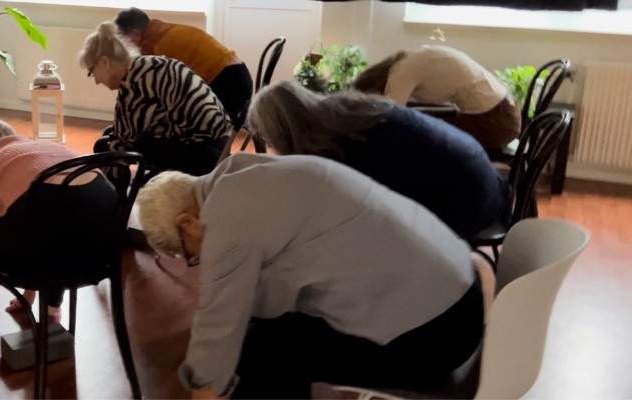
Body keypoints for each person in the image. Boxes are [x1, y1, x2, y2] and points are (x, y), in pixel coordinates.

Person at [135, 152, 490, 399]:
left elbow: (217, 325)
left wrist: (206, 386)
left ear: (187, 221)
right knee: (265, 331)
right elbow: (257, 295)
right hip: (460, 295)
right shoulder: (242, 175)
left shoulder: (226, 220)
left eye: (191, 255)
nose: (199, 262)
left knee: (258, 351)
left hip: (435, 340)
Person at [247, 80, 510, 239]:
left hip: (469, 202)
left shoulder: (335, 146)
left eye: (268, 138)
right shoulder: (345, 111)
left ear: (284, 132)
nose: (269, 146)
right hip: (483, 178)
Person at [0, 117, 117, 348]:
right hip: (104, 247)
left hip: (47, 249)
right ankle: (51, 310)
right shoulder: (45, 148)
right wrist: (29, 294)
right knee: (58, 213)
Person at [80, 21, 234, 177]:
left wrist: (106, 184)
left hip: (202, 153)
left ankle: (119, 199)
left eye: (92, 72)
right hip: (218, 143)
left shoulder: (134, 84)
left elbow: (120, 144)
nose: (96, 81)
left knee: (108, 148)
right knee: (113, 135)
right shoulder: (147, 65)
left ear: (105, 63)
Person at [352, 45, 521, 149]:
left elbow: (391, 117)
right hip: (504, 112)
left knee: (421, 135)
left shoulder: (400, 74)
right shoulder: (410, 59)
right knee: (422, 121)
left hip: (495, 121)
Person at [114, 7, 253, 130]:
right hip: (239, 76)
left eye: (124, 39)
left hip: (229, 85)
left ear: (135, 33)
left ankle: (212, 157)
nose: (126, 45)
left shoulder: (162, 45)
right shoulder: (165, 30)